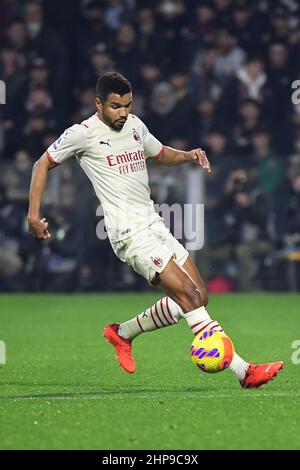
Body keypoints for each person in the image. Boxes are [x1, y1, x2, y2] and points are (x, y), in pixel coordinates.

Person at [27, 71, 283, 388]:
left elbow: (159, 153)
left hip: (154, 223)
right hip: (128, 234)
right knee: (188, 296)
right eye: (116, 106)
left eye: (128, 105)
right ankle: (245, 372)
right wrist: (33, 214)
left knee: (200, 296)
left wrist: (188, 155)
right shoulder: (83, 134)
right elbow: (42, 163)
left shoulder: (135, 125)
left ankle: (122, 333)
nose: (123, 113)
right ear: (98, 104)